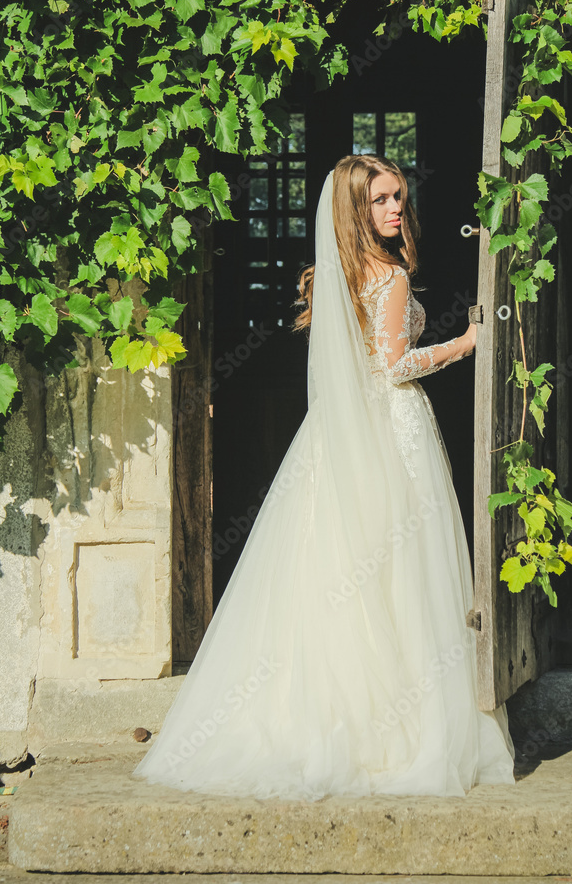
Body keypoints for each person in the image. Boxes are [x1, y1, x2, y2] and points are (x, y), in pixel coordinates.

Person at [132, 154, 517, 801]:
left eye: (398, 196)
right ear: (355, 211)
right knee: (400, 573)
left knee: (334, 566)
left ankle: (331, 715)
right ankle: (396, 725)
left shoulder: (338, 274)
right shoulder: (389, 277)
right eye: (381, 201)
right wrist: (463, 344)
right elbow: (392, 367)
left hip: (339, 433)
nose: (396, 209)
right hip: (391, 430)